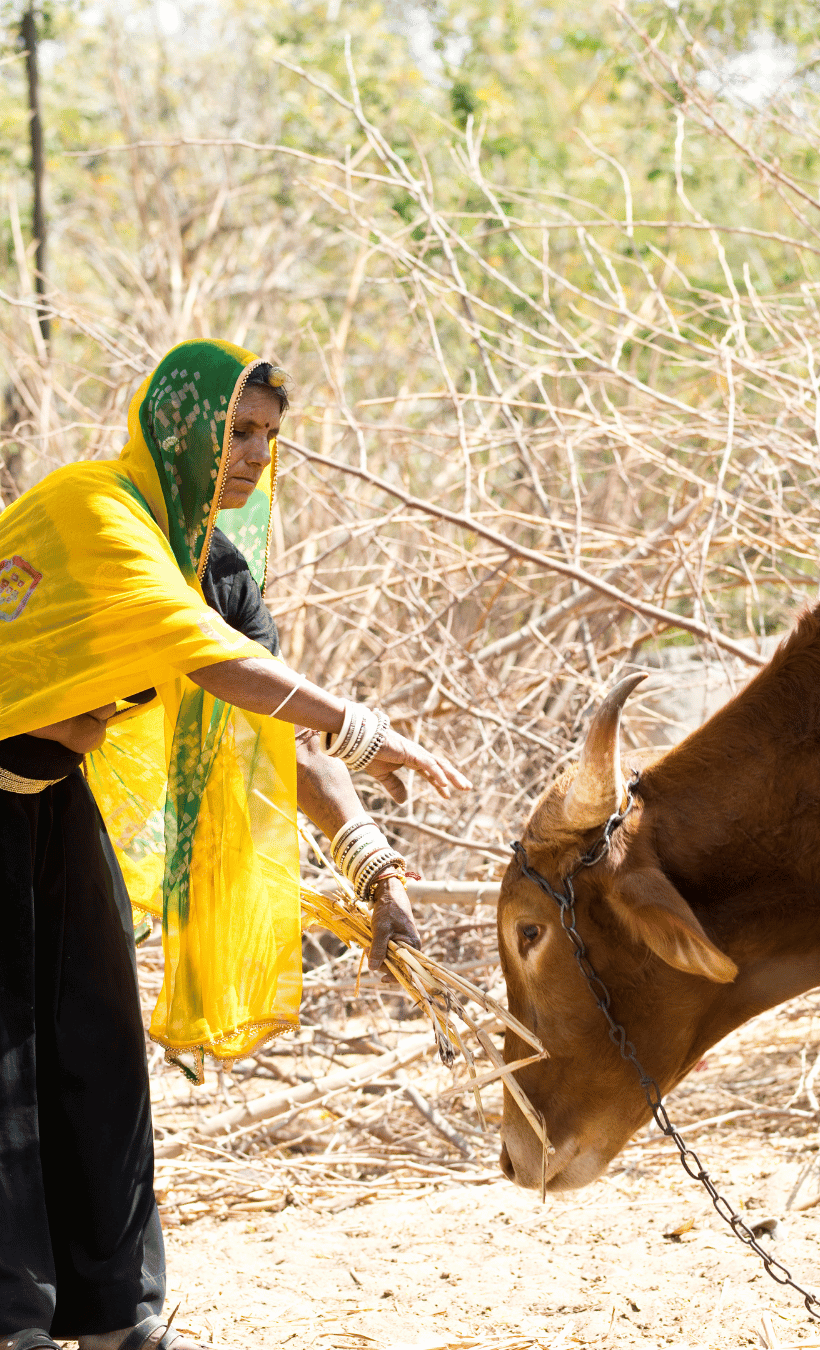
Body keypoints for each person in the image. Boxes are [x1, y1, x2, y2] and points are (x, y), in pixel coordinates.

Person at [0, 339, 471, 1350]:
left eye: (266, 436)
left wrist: (375, 866)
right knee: (7, 1069)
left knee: (98, 1052)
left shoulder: (212, 566)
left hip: (47, 797)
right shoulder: (96, 510)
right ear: (176, 428)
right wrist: (369, 724)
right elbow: (212, 663)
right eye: (234, 430)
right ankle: (13, 1322)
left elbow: (278, 734)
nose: (255, 454)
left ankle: (122, 1316)